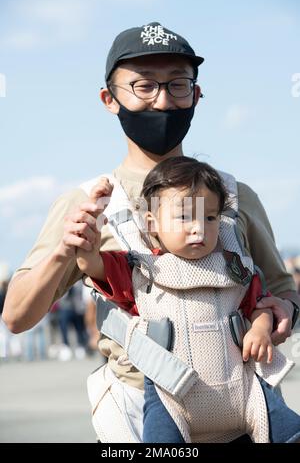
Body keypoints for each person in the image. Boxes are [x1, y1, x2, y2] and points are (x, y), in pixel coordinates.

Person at [2, 21, 299, 442]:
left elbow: (284, 288)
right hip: (142, 414)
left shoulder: (235, 196)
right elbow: (16, 317)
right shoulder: (86, 203)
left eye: (178, 85)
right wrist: (64, 251)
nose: (162, 101)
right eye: (143, 86)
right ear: (110, 99)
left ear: (197, 95)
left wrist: (282, 311)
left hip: (241, 409)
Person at [76, 157, 300, 443]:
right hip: (171, 398)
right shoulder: (138, 270)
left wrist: (260, 327)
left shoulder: (236, 267)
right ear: (151, 223)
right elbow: (92, 265)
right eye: (184, 217)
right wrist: (89, 236)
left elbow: (259, 304)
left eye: (210, 218)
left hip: (246, 393)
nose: (198, 228)